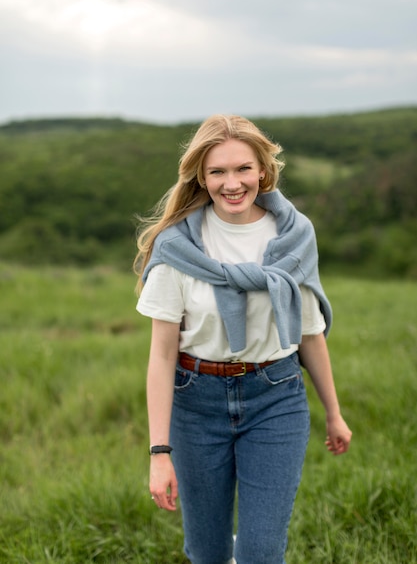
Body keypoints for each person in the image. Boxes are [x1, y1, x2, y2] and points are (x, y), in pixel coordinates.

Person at [134, 114, 352, 564]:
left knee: (260, 552)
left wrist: (334, 413)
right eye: (217, 171)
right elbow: (161, 354)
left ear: (263, 171)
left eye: (242, 169)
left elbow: (309, 331)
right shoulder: (178, 247)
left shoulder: (294, 236)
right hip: (197, 404)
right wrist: (159, 452)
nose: (232, 183)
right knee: (207, 552)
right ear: (201, 176)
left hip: (275, 397)